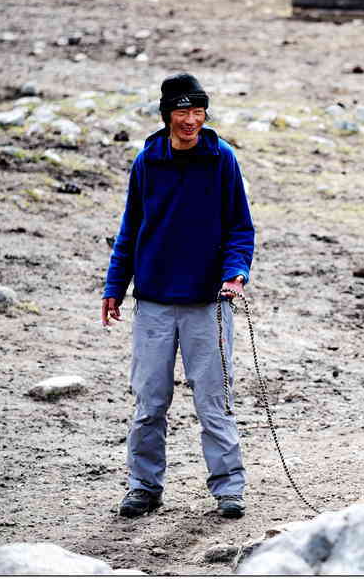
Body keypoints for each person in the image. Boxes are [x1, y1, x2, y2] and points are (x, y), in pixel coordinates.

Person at [101, 72, 255, 519]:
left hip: (209, 302)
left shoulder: (222, 159)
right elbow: (130, 229)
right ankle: (143, 487)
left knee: (214, 402)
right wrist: (115, 285)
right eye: (183, 111)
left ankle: (229, 489)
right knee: (149, 402)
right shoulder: (147, 162)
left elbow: (240, 228)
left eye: (198, 111)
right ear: (167, 114)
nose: (191, 120)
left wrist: (235, 273)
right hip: (152, 301)